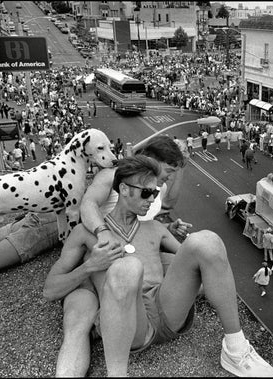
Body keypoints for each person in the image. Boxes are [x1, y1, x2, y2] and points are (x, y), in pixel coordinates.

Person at [43, 156, 273, 377]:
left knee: (206, 241)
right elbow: (50, 290)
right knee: (127, 268)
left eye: (155, 193)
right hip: (130, 325)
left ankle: (235, 350)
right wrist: (90, 267)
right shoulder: (85, 234)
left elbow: (202, 266)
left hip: (165, 312)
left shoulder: (155, 228)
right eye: (146, 193)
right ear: (124, 190)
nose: (153, 200)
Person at [53, 136, 193, 376]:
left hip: (135, 246)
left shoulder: (153, 187)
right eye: (168, 170)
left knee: (185, 265)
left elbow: (160, 210)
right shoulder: (114, 177)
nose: (166, 179)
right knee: (77, 322)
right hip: (101, 246)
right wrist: (103, 234)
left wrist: (166, 230)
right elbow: (87, 205)